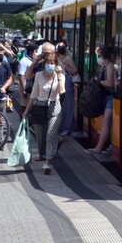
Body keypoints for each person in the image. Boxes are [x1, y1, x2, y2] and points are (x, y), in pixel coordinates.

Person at [22, 43, 66, 174]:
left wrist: (59, 76)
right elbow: (33, 93)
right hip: (40, 107)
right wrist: (26, 111)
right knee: (41, 137)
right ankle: (44, 154)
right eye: (47, 60)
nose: (50, 64)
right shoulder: (39, 74)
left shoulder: (60, 74)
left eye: (52, 62)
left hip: (55, 107)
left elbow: (62, 91)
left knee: (50, 135)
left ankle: (48, 162)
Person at [88, 45, 118, 159]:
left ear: (104, 55)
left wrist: (98, 82)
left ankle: (99, 148)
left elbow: (110, 83)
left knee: (106, 122)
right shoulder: (104, 66)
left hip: (110, 98)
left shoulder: (110, 66)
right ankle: (106, 146)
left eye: (99, 55)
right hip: (105, 98)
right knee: (106, 123)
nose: (98, 57)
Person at [57, 42, 81, 139]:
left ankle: (66, 128)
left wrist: (64, 66)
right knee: (61, 106)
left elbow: (75, 70)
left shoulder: (68, 59)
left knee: (67, 106)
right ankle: (62, 127)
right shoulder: (57, 59)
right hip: (59, 81)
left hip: (66, 82)